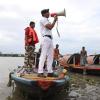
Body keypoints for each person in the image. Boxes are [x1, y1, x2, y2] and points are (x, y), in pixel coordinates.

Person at [38, 9, 58, 77]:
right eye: (47, 12)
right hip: (45, 38)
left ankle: (50, 72)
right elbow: (50, 27)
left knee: (50, 56)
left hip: (49, 39)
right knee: (43, 55)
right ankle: (40, 72)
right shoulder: (43, 19)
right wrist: (54, 20)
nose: (49, 13)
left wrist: (54, 21)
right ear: (44, 14)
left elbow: (50, 27)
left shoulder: (47, 20)